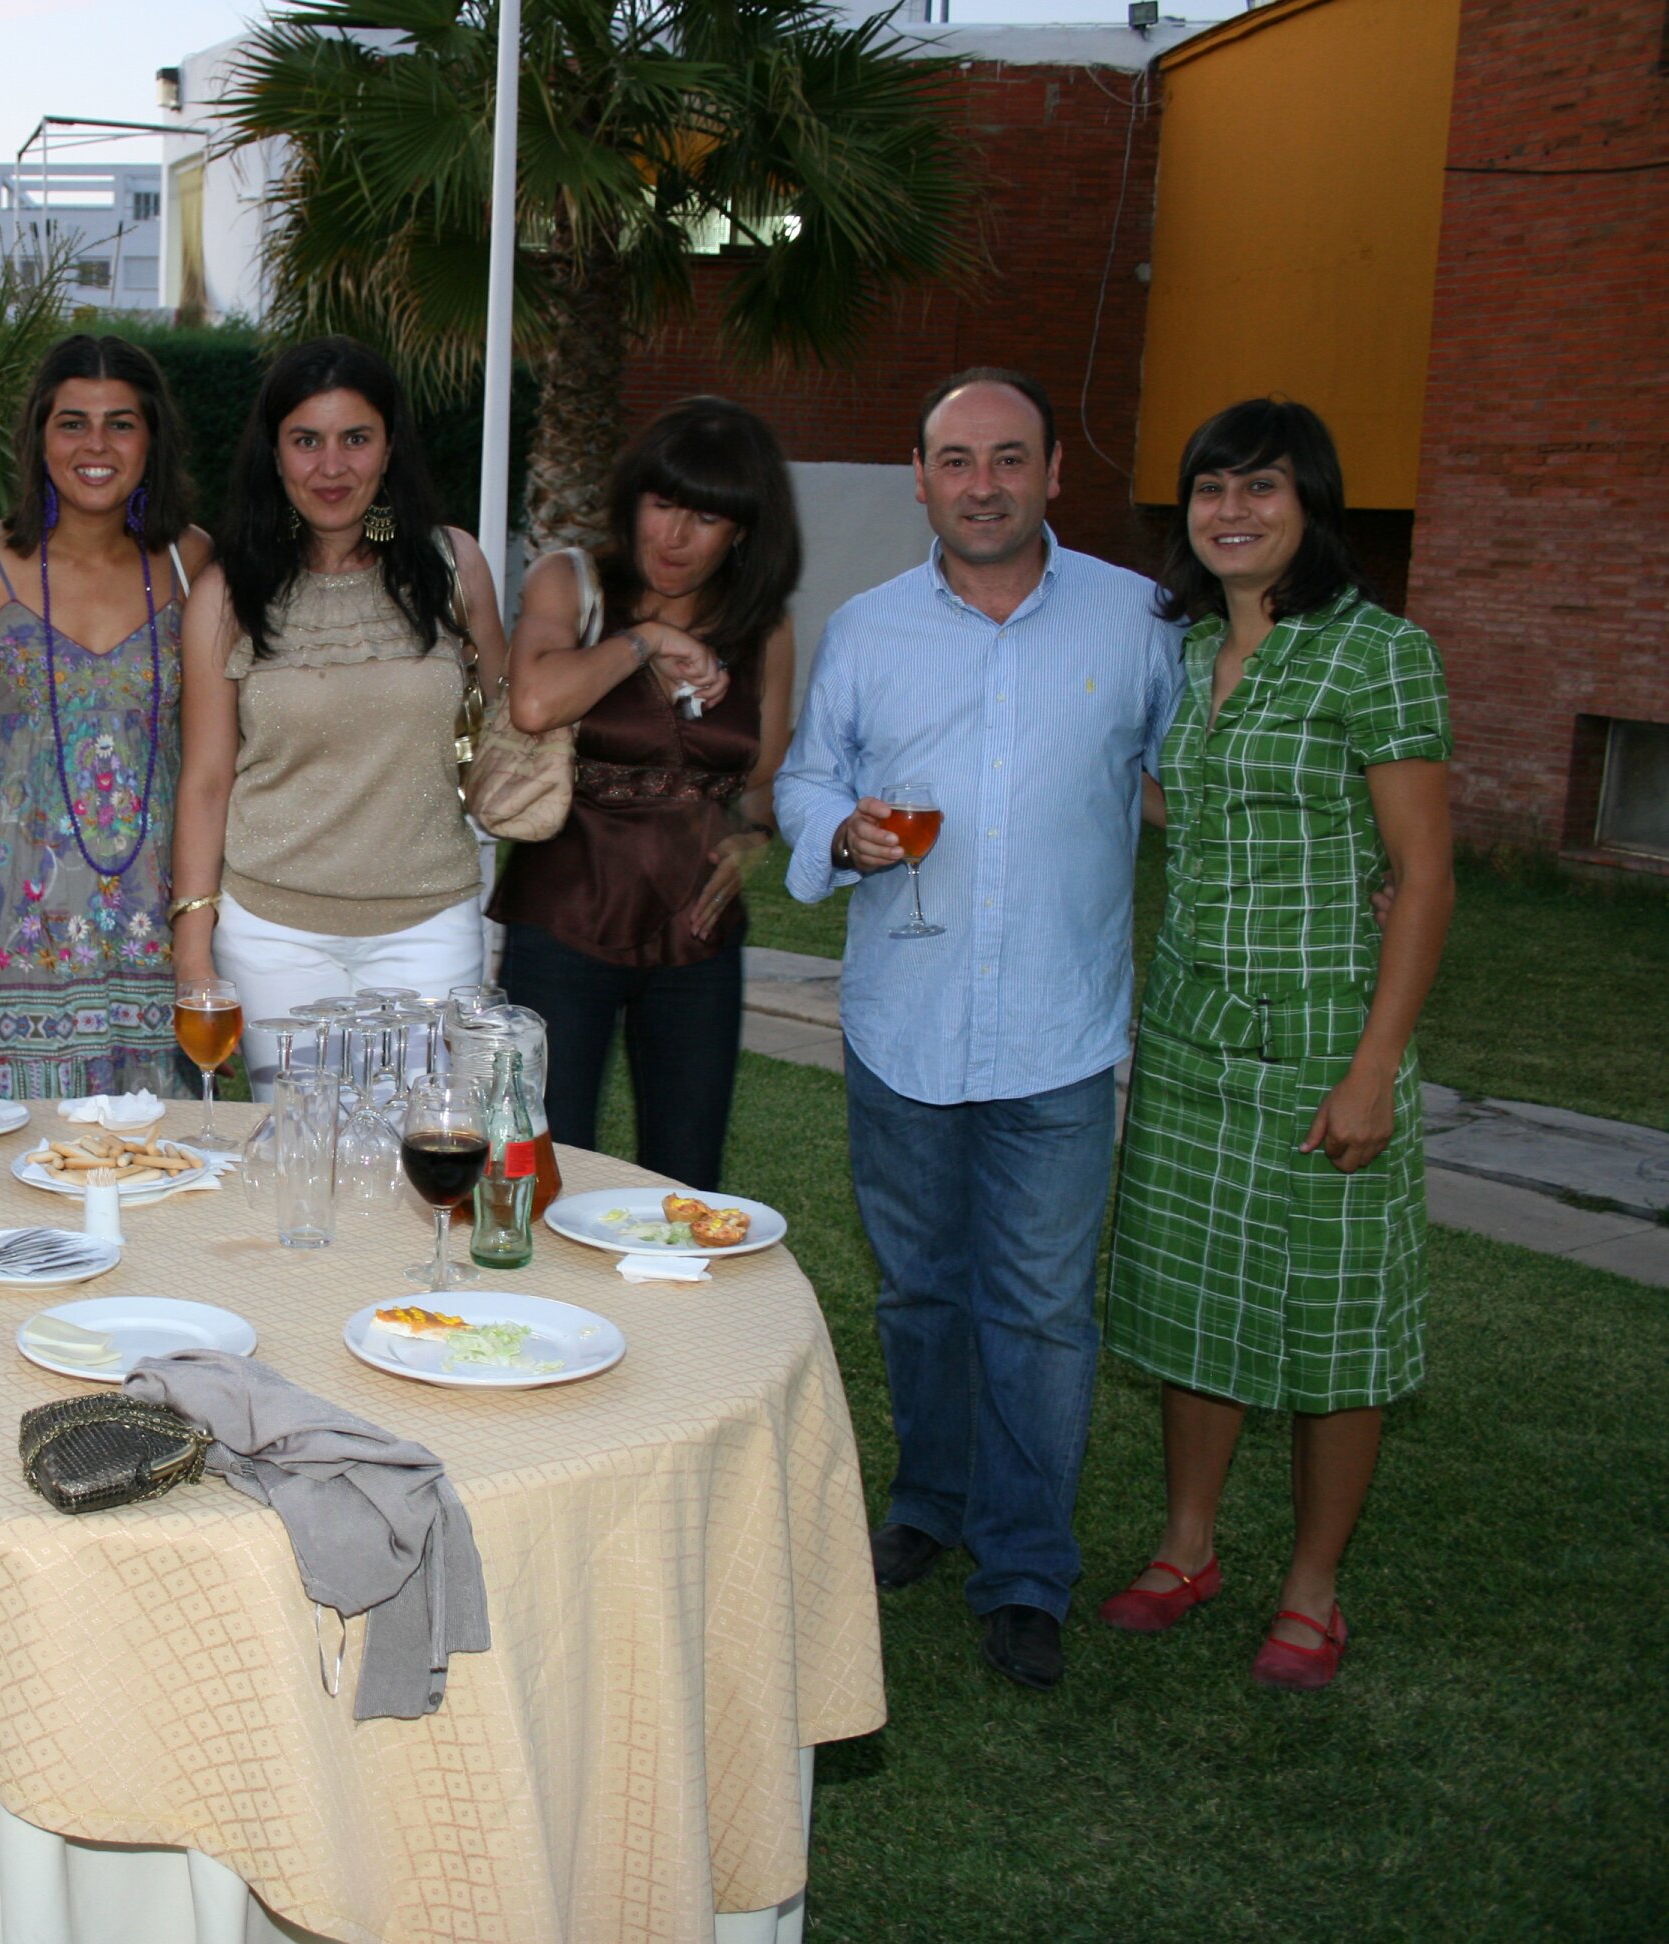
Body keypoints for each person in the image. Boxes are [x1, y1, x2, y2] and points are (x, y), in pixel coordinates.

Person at [774, 367, 1184, 1692]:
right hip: (905, 1020)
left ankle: (1024, 1569)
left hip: (1061, 1030)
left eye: (1011, 459)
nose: (985, 484)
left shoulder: (1138, 621)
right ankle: (930, 1502)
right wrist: (837, 832)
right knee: (919, 1290)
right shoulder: (868, 629)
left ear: (1055, 473)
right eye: (957, 460)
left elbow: (1195, 778)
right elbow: (808, 777)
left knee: (1043, 1311)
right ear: (920, 478)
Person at [1095, 399, 1451, 1692]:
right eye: (1211, 489)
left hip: (1321, 1045)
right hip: (1193, 1037)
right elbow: (1182, 803)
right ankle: (1187, 1548)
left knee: (1332, 1325)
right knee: (1193, 1301)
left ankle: (1312, 1590)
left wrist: (1374, 1070)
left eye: (1262, 488)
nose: (1231, 511)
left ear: (1313, 506)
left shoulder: (1379, 653)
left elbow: (1424, 876)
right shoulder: (1188, 652)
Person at [167, 336, 509, 1085]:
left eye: (356, 438)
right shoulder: (227, 594)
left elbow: (507, 725)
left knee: (425, 1140)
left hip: (431, 926)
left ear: (390, 448)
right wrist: (193, 952)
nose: (331, 467)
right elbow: (206, 780)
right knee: (298, 1144)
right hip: (271, 936)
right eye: (306, 441)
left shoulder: (453, 567)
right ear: (274, 453)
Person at [0, 335, 212, 1099]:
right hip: (9, 923)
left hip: (152, 917)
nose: (96, 445)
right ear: (38, 436)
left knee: (155, 1152)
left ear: (152, 440)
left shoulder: (191, 562)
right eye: (72, 423)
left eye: (120, 423)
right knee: (5, 1151)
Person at [489, 397, 799, 1191]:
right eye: (662, 504)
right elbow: (534, 702)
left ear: (743, 530)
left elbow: (761, 773)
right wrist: (648, 639)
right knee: (544, 1168)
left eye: (706, 517)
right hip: (564, 918)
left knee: (687, 1178)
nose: (675, 535)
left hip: (697, 933)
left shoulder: (764, 627)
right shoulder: (573, 582)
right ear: (632, 500)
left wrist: (753, 839)